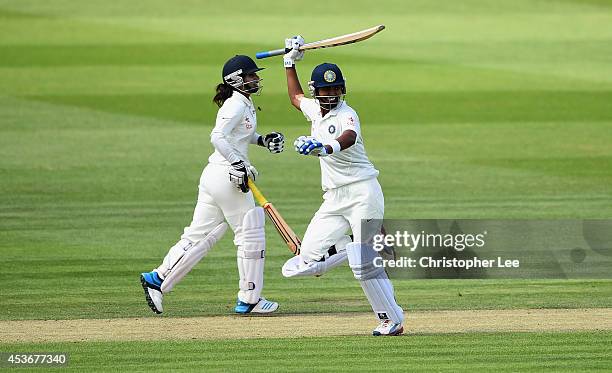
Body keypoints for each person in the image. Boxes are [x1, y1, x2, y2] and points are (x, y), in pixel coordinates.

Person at [140, 55, 284, 315]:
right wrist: (238, 164)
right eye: (251, 75)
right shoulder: (234, 105)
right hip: (228, 177)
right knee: (250, 233)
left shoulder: (244, 102)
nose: (256, 79)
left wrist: (262, 140)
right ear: (237, 79)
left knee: (200, 235)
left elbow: (239, 135)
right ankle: (250, 299)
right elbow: (217, 136)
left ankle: (157, 279)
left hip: (215, 176)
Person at [280, 36, 404, 336]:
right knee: (303, 262)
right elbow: (295, 98)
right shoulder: (314, 110)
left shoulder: (348, 114)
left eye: (335, 88)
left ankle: (392, 320)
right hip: (334, 199)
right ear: (317, 91)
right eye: (325, 89)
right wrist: (289, 62)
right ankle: (353, 247)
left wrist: (324, 148)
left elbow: (347, 137)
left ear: (343, 89)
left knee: (364, 265)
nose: (331, 94)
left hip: (363, 192)